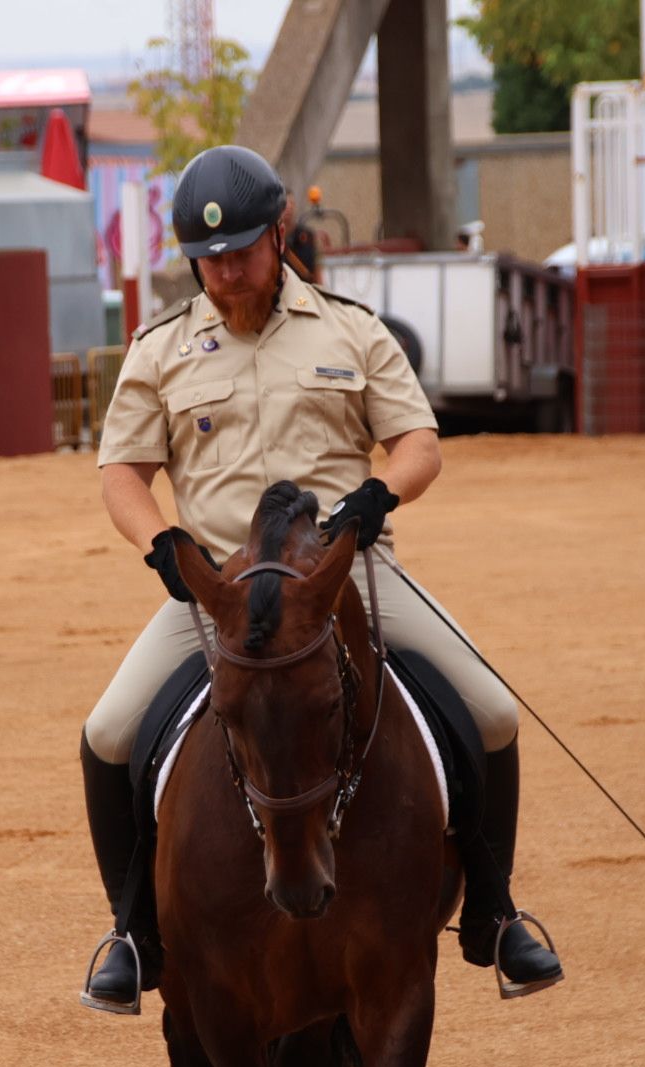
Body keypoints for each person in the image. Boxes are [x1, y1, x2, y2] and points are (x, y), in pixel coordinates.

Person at [78, 144, 563, 1010]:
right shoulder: (159, 350)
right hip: (220, 592)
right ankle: (134, 932)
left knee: (490, 711)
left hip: (349, 576)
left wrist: (381, 493)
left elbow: (418, 443)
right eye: (209, 258)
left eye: (243, 251)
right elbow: (122, 473)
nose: (226, 272)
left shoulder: (350, 328)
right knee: (109, 732)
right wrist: (162, 546)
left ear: (283, 233)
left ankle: (493, 912)